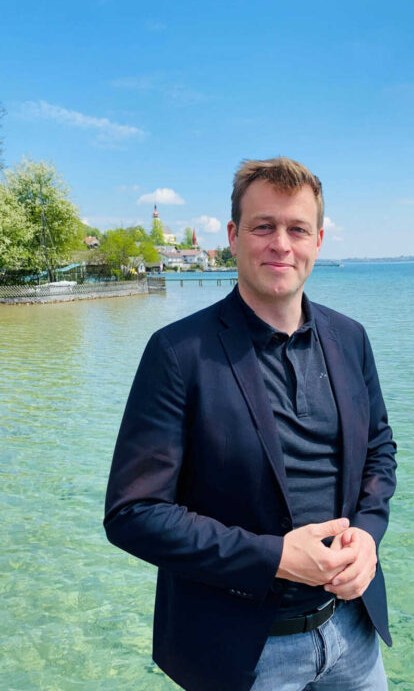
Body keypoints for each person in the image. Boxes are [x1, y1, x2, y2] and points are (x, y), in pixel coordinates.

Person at [104, 157, 397, 691]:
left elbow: (380, 450)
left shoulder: (351, 338)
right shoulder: (177, 353)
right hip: (246, 654)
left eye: (297, 229)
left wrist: (370, 537)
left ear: (318, 240)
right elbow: (133, 513)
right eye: (264, 227)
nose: (281, 244)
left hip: (353, 632)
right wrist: (275, 557)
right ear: (234, 238)